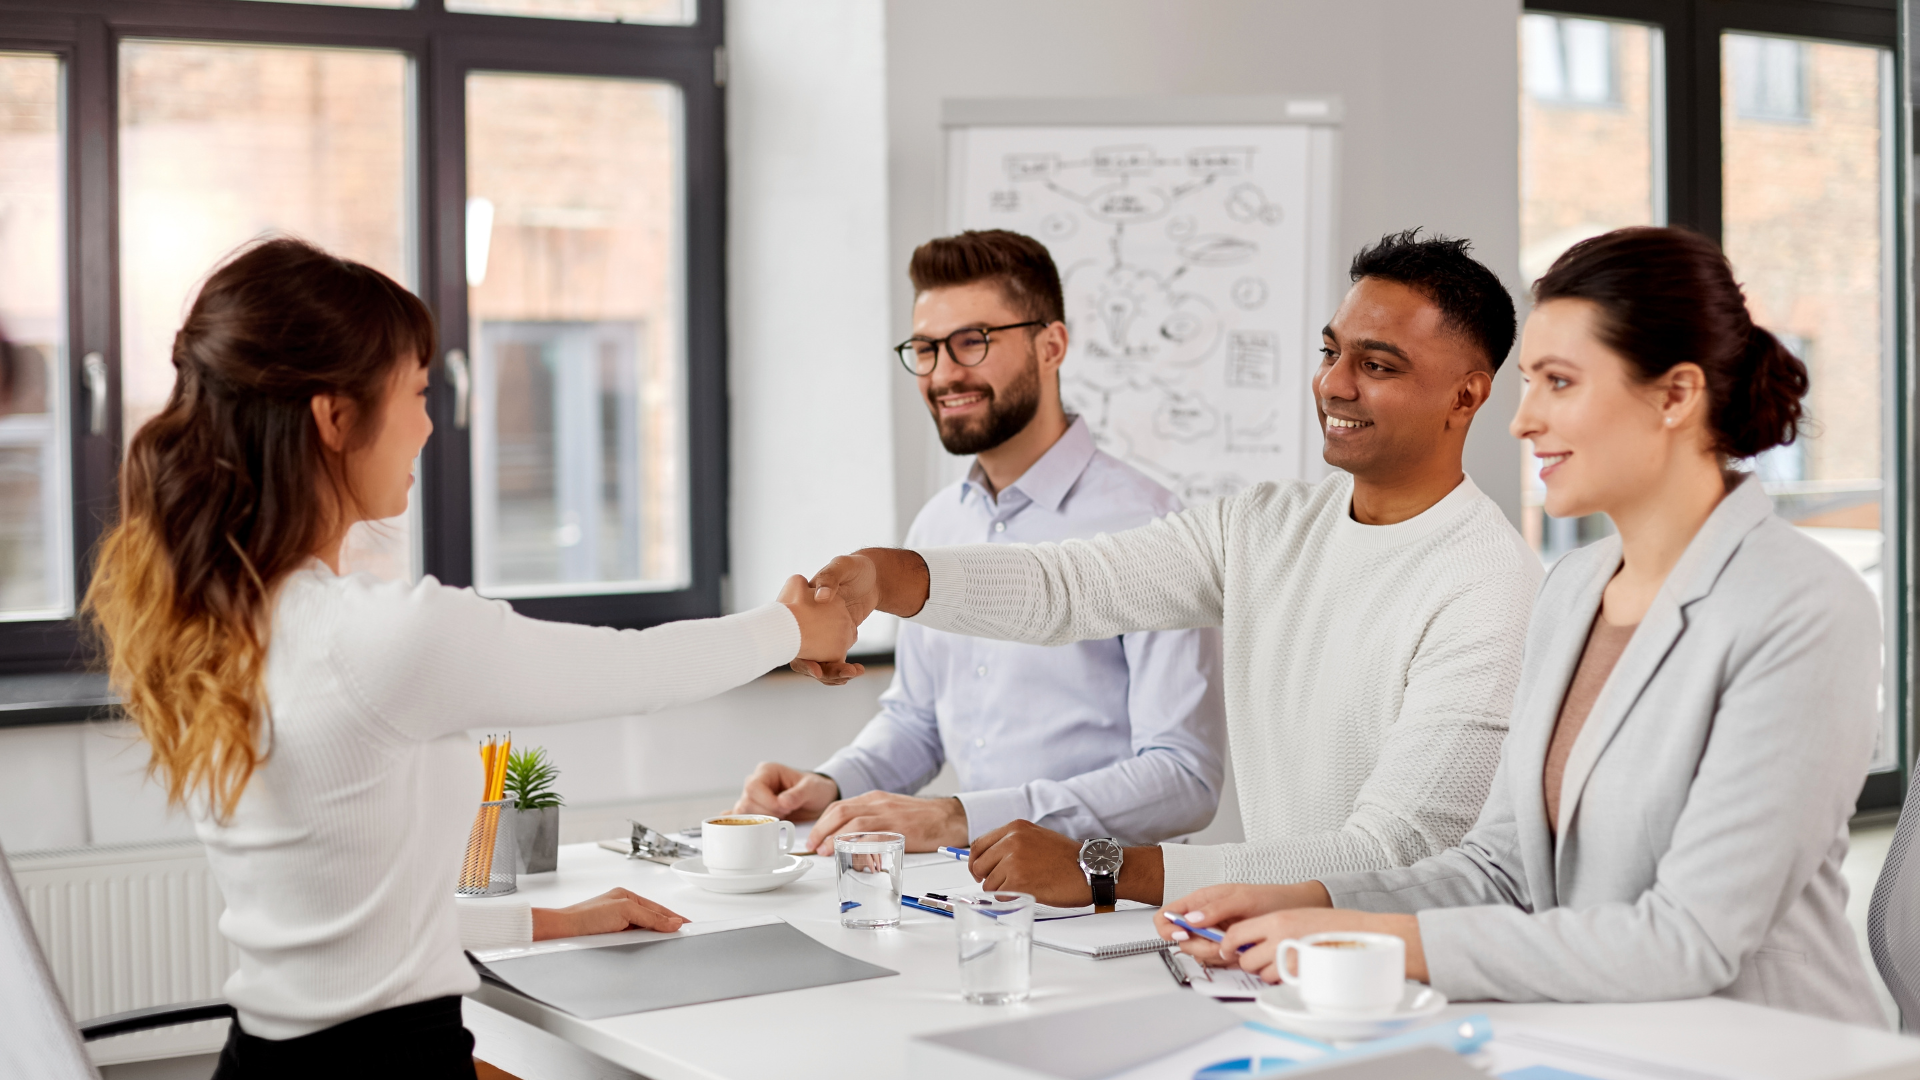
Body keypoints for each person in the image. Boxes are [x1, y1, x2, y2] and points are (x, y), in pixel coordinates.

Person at [82, 239, 857, 1077]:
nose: (428, 423)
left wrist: (549, 922)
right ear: (334, 418)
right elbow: (635, 670)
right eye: (416, 392)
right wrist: (793, 627)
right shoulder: (380, 637)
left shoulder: (210, 623)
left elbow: (341, 926)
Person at [1159, 227, 1884, 1027]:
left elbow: (1688, 940)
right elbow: (1499, 871)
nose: (1522, 419)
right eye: (1530, 381)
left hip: (1761, 1050)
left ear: (1675, 396)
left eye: (1560, 383)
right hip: (1589, 1033)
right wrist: (1295, 901)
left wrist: (1374, 937)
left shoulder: (1802, 607)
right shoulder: (1573, 588)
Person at [799, 230, 1542, 908]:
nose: (1334, 384)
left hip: (1405, 971)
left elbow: (1391, 853)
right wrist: (881, 577)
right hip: (1265, 940)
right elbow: (1069, 588)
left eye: (1376, 365)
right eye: (1329, 352)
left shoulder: (1487, 581)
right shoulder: (1264, 525)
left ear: (1467, 394)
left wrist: (1103, 866)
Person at [732, 230, 1226, 854]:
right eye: (926, 348)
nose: (943, 373)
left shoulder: (1150, 523)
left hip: (1107, 905)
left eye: (972, 342)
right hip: (976, 894)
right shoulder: (937, 527)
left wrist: (963, 817)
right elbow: (919, 721)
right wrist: (830, 786)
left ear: (1052, 346)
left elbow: (1184, 778)